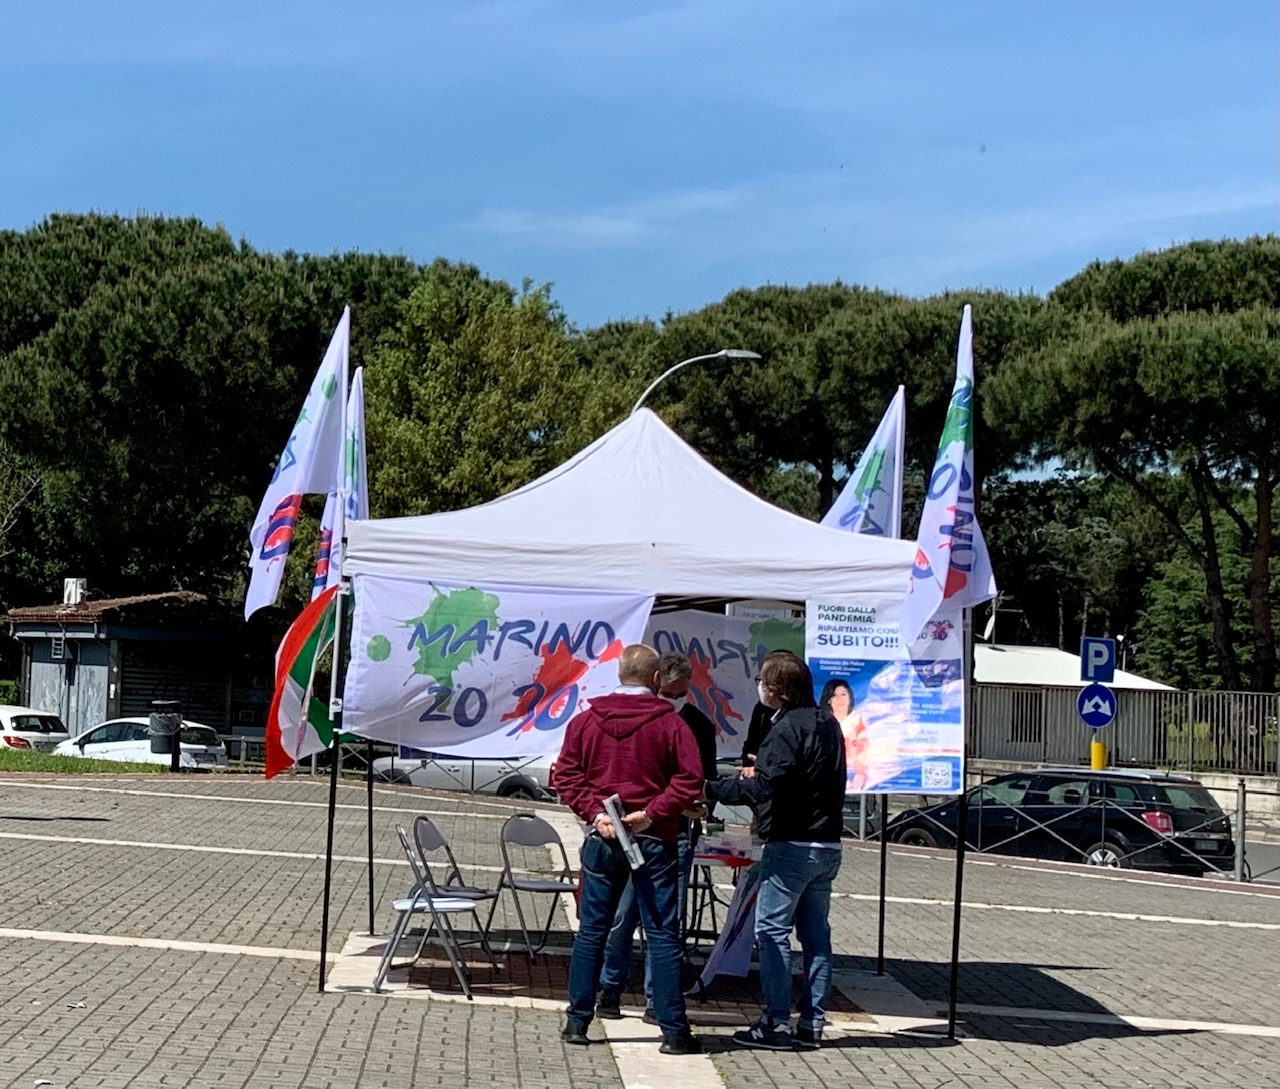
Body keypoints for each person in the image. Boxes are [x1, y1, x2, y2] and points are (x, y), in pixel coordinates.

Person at [554, 644, 705, 1056]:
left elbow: (565, 774)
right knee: (661, 934)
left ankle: (578, 1021)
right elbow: (690, 780)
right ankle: (673, 1030)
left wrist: (594, 813)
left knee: (592, 932)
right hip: (655, 840)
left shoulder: (586, 721)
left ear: (618, 675)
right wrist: (652, 814)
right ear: (657, 679)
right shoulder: (672, 725)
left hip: (603, 837)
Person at [706, 651, 846, 1051]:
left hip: (793, 843)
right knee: (816, 935)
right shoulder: (827, 722)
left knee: (771, 932)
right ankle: (812, 1023)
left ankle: (775, 1022)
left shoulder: (787, 727)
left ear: (776, 690)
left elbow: (766, 784)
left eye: (764, 683)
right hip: (828, 843)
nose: (760, 689)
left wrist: (710, 789)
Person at [596, 653, 718, 1021]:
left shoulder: (696, 723)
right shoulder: (638, 718)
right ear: (655, 683)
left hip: (674, 834)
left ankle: (657, 1001)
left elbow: (701, 781)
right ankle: (609, 990)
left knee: (664, 925)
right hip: (632, 832)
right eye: (671, 691)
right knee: (622, 917)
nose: (677, 698)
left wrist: (695, 805)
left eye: (683, 692)